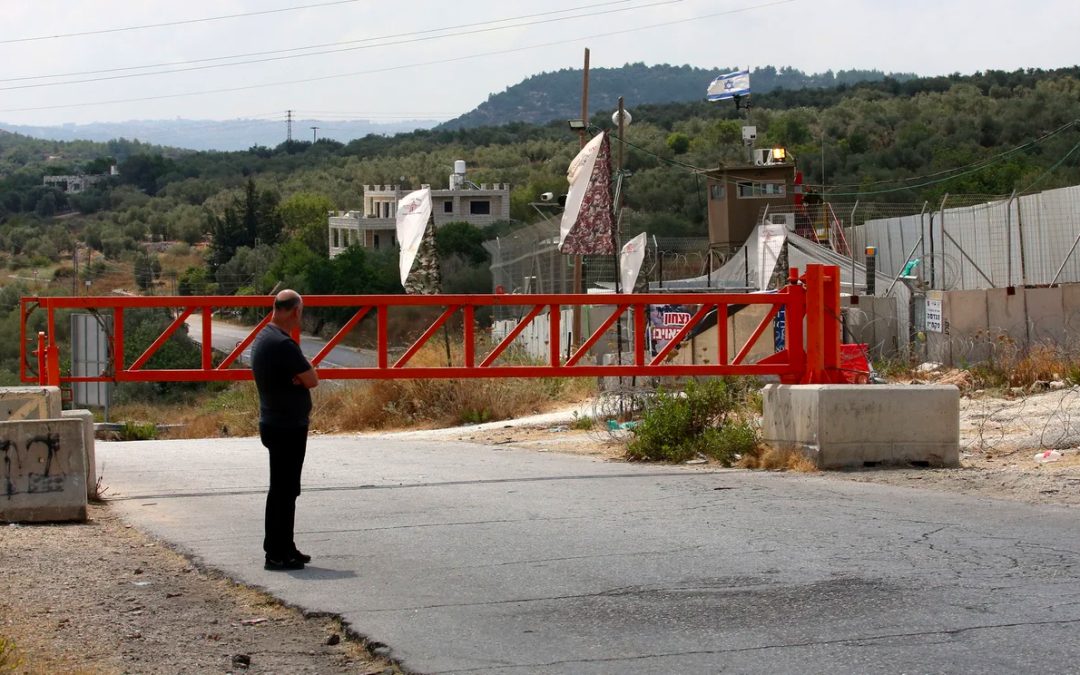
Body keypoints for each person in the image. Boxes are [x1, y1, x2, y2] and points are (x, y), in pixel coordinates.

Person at [251, 289, 319, 570]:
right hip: (286, 426)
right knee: (283, 490)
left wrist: (298, 378)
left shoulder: (264, 336)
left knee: (284, 489)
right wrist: (299, 377)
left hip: (275, 422)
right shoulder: (283, 344)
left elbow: (302, 378)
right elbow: (312, 379)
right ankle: (277, 553)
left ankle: (285, 546)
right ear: (296, 311)